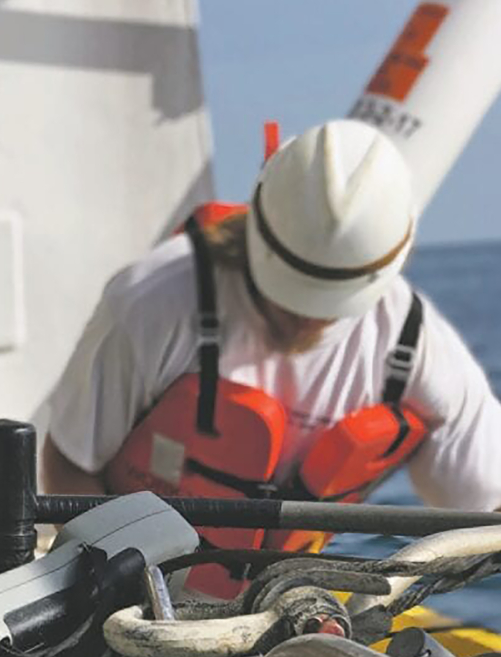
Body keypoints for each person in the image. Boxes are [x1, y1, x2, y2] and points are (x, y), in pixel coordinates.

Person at [39, 119, 501, 596]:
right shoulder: (154, 301)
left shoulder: (414, 345)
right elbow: (70, 460)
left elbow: (485, 508)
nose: (303, 319)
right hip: (128, 599)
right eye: (289, 296)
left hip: (281, 608)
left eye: (325, 308)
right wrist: (119, 594)